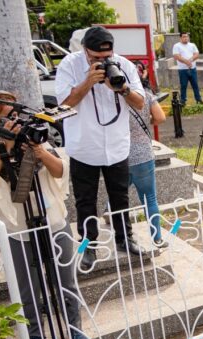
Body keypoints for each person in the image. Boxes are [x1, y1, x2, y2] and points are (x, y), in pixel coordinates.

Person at [0, 97, 93, 339]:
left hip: (52, 221)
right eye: (6, 118)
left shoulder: (36, 136)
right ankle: (35, 334)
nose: (13, 123)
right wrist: (6, 146)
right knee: (27, 286)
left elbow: (61, 170)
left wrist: (39, 151)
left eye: (14, 116)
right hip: (17, 227)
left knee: (66, 280)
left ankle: (75, 328)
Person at [55, 26, 147, 271]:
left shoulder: (123, 66)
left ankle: (124, 238)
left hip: (117, 147)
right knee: (85, 200)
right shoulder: (69, 65)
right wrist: (88, 82)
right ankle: (89, 245)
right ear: (85, 51)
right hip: (84, 147)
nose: (102, 62)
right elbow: (64, 105)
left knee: (120, 197)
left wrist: (122, 88)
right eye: (96, 58)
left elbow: (140, 103)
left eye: (106, 57)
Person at [128, 86, 168, 249]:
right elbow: (160, 117)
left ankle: (110, 216)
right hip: (143, 153)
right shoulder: (146, 95)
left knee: (120, 192)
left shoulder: (112, 96)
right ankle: (157, 237)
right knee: (149, 198)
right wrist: (148, 122)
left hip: (120, 153)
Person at [172, 32, 202, 105]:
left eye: (187, 36)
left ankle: (198, 99)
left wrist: (190, 60)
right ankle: (183, 101)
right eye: (184, 37)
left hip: (192, 69)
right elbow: (177, 56)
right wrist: (186, 62)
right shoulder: (177, 46)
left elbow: (197, 54)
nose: (186, 38)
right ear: (180, 38)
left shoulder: (192, 45)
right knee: (183, 85)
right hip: (183, 70)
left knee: (195, 84)